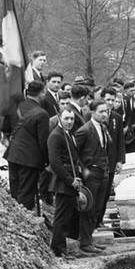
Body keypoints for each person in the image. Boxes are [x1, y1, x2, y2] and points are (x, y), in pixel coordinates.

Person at [4, 80, 50, 211]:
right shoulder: (42, 114)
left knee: (15, 192)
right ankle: (24, 224)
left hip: (13, 155)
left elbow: (5, 128)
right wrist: (47, 162)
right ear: (41, 93)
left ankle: (13, 221)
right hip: (30, 159)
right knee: (26, 195)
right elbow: (43, 142)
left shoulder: (15, 106)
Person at [75, 99, 111, 254]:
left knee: (97, 208)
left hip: (102, 172)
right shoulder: (84, 130)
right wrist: (84, 171)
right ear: (92, 112)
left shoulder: (103, 128)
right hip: (91, 172)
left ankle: (90, 239)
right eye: (101, 111)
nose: (104, 114)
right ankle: (85, 242)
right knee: (88, 208)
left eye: (106, 111)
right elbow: (75, 154)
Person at [47, 108, 82, 258]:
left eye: (72, 119)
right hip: (62, 182)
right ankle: (58, 249)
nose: (69, 122)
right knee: (61, 216)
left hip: (71, 180)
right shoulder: (56, 135)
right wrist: (70, 180)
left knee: (68, 215)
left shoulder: (68, 134)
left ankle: (64, 246)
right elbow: (55, 163)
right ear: (59, 118)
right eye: (66, 118)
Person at [99, 88, 126, 222]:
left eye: (112, 100)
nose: (110, 103)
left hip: (112, 160)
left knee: (106, 193)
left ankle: (100, 219)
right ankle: (94, 220)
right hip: (98, 161)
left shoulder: (117, 117)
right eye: (107, 100)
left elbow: (120, 140)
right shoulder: (95, 116)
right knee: (98, 191)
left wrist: (120, 160)